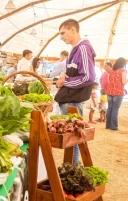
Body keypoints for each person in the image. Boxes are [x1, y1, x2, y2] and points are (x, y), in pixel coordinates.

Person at [54, 19, 96, 164]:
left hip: (73, 101)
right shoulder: (75, 50)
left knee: (72, 138)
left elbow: (88, 77)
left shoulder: (83, 48)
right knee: (71, 138)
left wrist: (66, 81)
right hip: (69, 99)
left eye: (63, 33)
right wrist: (64, 76)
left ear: (73, 30)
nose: (61, 37)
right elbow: (75, 73)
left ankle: (70, 169)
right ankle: (70, 168)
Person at [106, 57, 127, 131]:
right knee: (115, 109)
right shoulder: (123, 71)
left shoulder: (111, 71)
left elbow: (109, 81)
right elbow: (123, 82)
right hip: (118, 92)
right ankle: (114, 127)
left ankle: (108, 125)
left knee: (110, 108)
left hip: (110, 91)